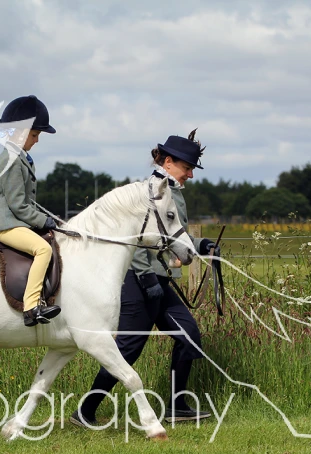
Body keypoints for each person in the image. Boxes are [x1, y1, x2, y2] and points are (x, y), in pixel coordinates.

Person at [71, 131, 219, 425]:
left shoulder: (173, 193)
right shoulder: (147, 192)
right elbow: (136, 236)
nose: (190, 174)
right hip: (139, 283)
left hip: (160, 281)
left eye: (191, 168)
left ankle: (176, 405)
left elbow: (173, 235)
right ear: (168, 161)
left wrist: (201, 245)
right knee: (127, 349)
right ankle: (86, 411)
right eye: (187, 167)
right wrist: (145, 275)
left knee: (188, 335)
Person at [0, 95, 61, 327]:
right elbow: (17, 205)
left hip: (14, 220)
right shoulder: (12, 160)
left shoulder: (20, 157)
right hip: (5, 223)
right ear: (21, 132)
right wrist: (43, 221)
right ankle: (31, 307)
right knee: (43, 249)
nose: (37, 140)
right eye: (34, 135)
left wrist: (47, 217)